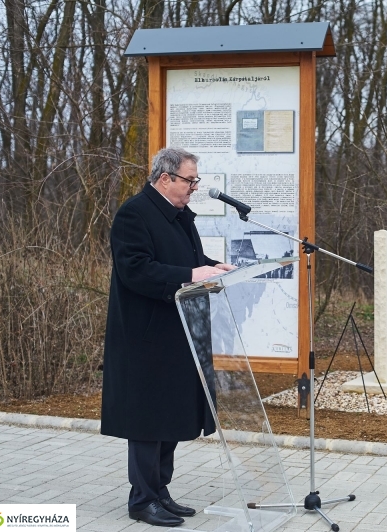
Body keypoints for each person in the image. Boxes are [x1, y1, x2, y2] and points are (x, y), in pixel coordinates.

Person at [101, 147, 235, 527]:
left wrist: (211, 267)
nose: (194, 187)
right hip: (145, 338)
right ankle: (142, 500)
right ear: (165, 179)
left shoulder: (177, 216)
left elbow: (183, 260)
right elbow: (136, 270)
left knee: (169, 415)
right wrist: (194, 275)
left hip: (178, 333)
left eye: (194, 180)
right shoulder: (134, 213)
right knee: (147, 420)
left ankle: (160, 491)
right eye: (189, 180)